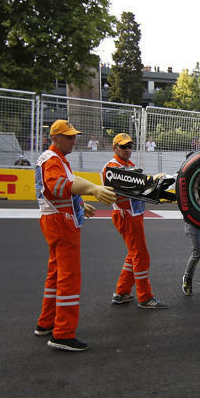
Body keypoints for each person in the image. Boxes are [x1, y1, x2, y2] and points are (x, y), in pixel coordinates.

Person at [34, 119, 116, 352]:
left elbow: (62, 189)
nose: (73, 140)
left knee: (55, 274)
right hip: (61, 222)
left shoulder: (52, 158)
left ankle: (46, 323)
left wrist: (79, 203)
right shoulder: (53, 160)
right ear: (55, 138)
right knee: (69, 277)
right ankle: (63, 333)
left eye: (73, 136)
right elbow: (58, 186)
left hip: (54, 218)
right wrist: (92, 189)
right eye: (68, 137)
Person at [102, 133, 168, 309]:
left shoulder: (128, 165)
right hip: (126, 215)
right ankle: (145, 297)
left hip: (134, 214)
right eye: (123, 146)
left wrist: (154, 184)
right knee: (141, 256)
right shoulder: (111, 167)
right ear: (114, 148)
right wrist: (151, 181)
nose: (127, 149)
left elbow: (140, 188)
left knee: (134, 255)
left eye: (130, 145)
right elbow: (123, 191)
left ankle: (122, 292)